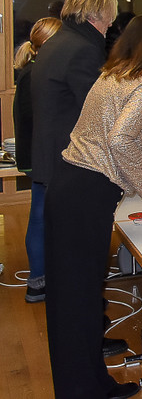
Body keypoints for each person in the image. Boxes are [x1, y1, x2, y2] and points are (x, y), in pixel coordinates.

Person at [46, 14, 142, 399]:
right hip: (86, 192)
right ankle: (83, 390)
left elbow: (140, 125)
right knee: (80, 298)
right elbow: (121, 140)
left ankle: (92, 385)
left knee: (75, 297)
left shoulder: (117, 74)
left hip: (69, 185)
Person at [30, 0, 118, 305]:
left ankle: (44, 285)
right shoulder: (83, 48)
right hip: (72, 160)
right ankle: (78, 305)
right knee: (76, 246)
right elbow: (97, 109)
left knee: (50, 230)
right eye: (109, 17)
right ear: (98, 13)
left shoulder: (56, 42)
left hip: (48, 151)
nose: (111, 24)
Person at [12, 16, 62, 302]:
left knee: (40, 215)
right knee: (42, 218)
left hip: (37, 155)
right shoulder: (37, 73)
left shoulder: (32, 70)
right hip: (42, 156)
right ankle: (40, 279)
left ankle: (39, 279)